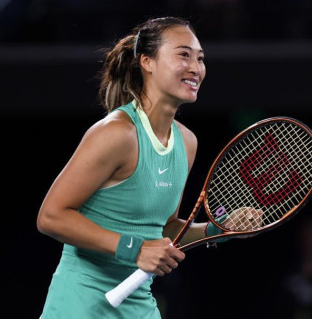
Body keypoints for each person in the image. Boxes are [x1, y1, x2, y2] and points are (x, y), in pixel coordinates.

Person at [37, 16, 261, 318]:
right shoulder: (117, 133)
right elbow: (51, 216)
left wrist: (218, 229)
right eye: (183, 55)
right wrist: (135, 249)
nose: (195, 67)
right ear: (147, 62)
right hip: (81, 302)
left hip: (137, 303)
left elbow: (165, 228)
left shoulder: (186, 142)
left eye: (200, 58)